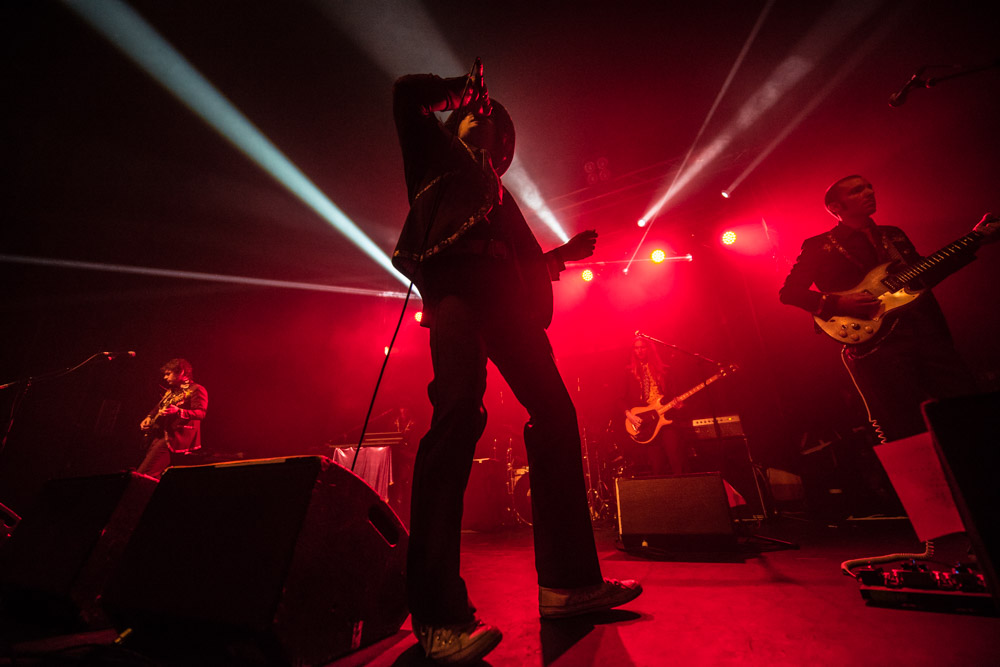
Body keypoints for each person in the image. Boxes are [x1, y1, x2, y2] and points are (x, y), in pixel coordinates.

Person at [392, 60, 641, 664]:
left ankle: (568, 583)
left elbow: (511, 259)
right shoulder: (435, 161)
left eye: (498, 126)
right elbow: (405, 94)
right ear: (456, 124)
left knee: (555, 412)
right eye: (479, 117)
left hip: (507, 304)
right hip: (458, 296)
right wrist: (459, 92)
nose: (489, 126)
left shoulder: (499, 195)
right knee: (457, 417)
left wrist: (560, 257)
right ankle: (436, 613)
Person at [779, 174, 998, 443]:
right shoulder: (817, 246)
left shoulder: (892, 234)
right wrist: (839, 303)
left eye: (869, 187)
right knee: (906, 427)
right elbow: (789, 293)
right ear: (836, 207)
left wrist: (974, 240)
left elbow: (925, 274)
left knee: (970, 411)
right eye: (857, 191)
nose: (869, 192)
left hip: (926, 332)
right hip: (878, 347)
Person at [622, 337, 688, 476]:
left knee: (675, 457)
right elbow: (620, 399)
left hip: (666, 416)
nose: (639, 351)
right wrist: (629, 415)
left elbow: (673, 393)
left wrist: (679, 404)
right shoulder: (629, 373)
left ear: (649, 349)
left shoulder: (664, 370)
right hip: (647, 421)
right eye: (636, 348)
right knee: (656, 464)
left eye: (642, 347)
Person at [137, 358, 208, 479]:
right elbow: (157, 407)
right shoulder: (172, 391)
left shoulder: (197, 389)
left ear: (181, 372)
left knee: (144, 474)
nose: (165, 377)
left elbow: (201, 413)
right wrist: (149, 417)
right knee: (152, 474)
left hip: (175, 437)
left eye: (168, 374)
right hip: (161, 435)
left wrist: (179, 411)